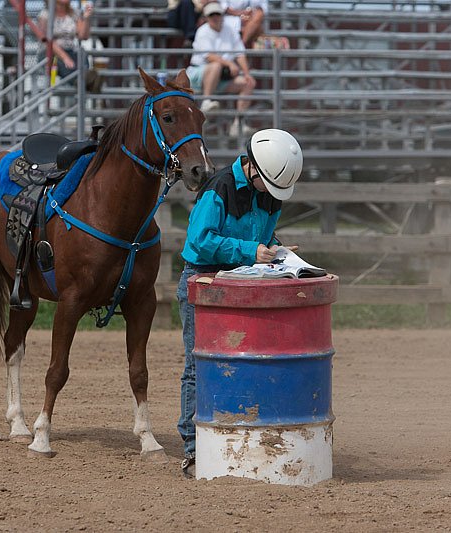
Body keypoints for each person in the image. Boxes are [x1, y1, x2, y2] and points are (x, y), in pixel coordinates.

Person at [176, 128, 304, 478]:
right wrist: (251, 251)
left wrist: (276, 248)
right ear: (252, 169)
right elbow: (199, 242)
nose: (271, 195)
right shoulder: (218, 189)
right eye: (268, 184)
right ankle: (192, 448)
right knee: (197, 365)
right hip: (204, 280)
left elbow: (261, 236)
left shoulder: (269, 196)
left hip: (241, 281)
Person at [187, 1, 256, 136]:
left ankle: (238, 123)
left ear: (222, 15)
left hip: (220, 77)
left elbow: (240, 53)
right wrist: (229, 64)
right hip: (198, 75)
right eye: (212, 15)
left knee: (248, 83)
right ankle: (207, 101)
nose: (215, 17)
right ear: (206, 17)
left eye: (217, 14)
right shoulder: (203, 31)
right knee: (216, 66)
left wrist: (247, 73)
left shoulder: (230, 30)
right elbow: (209, 57)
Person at [37, 0, 100, 92]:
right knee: (62, 63)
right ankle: (85, 83)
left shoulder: (74, 13)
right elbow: (47, 41)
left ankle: (85, 80)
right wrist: (64, 57)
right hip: (49, 53)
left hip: (70, 51)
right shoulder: (45, 15)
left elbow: (83, 36)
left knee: (82, 55)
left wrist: (86, 19)